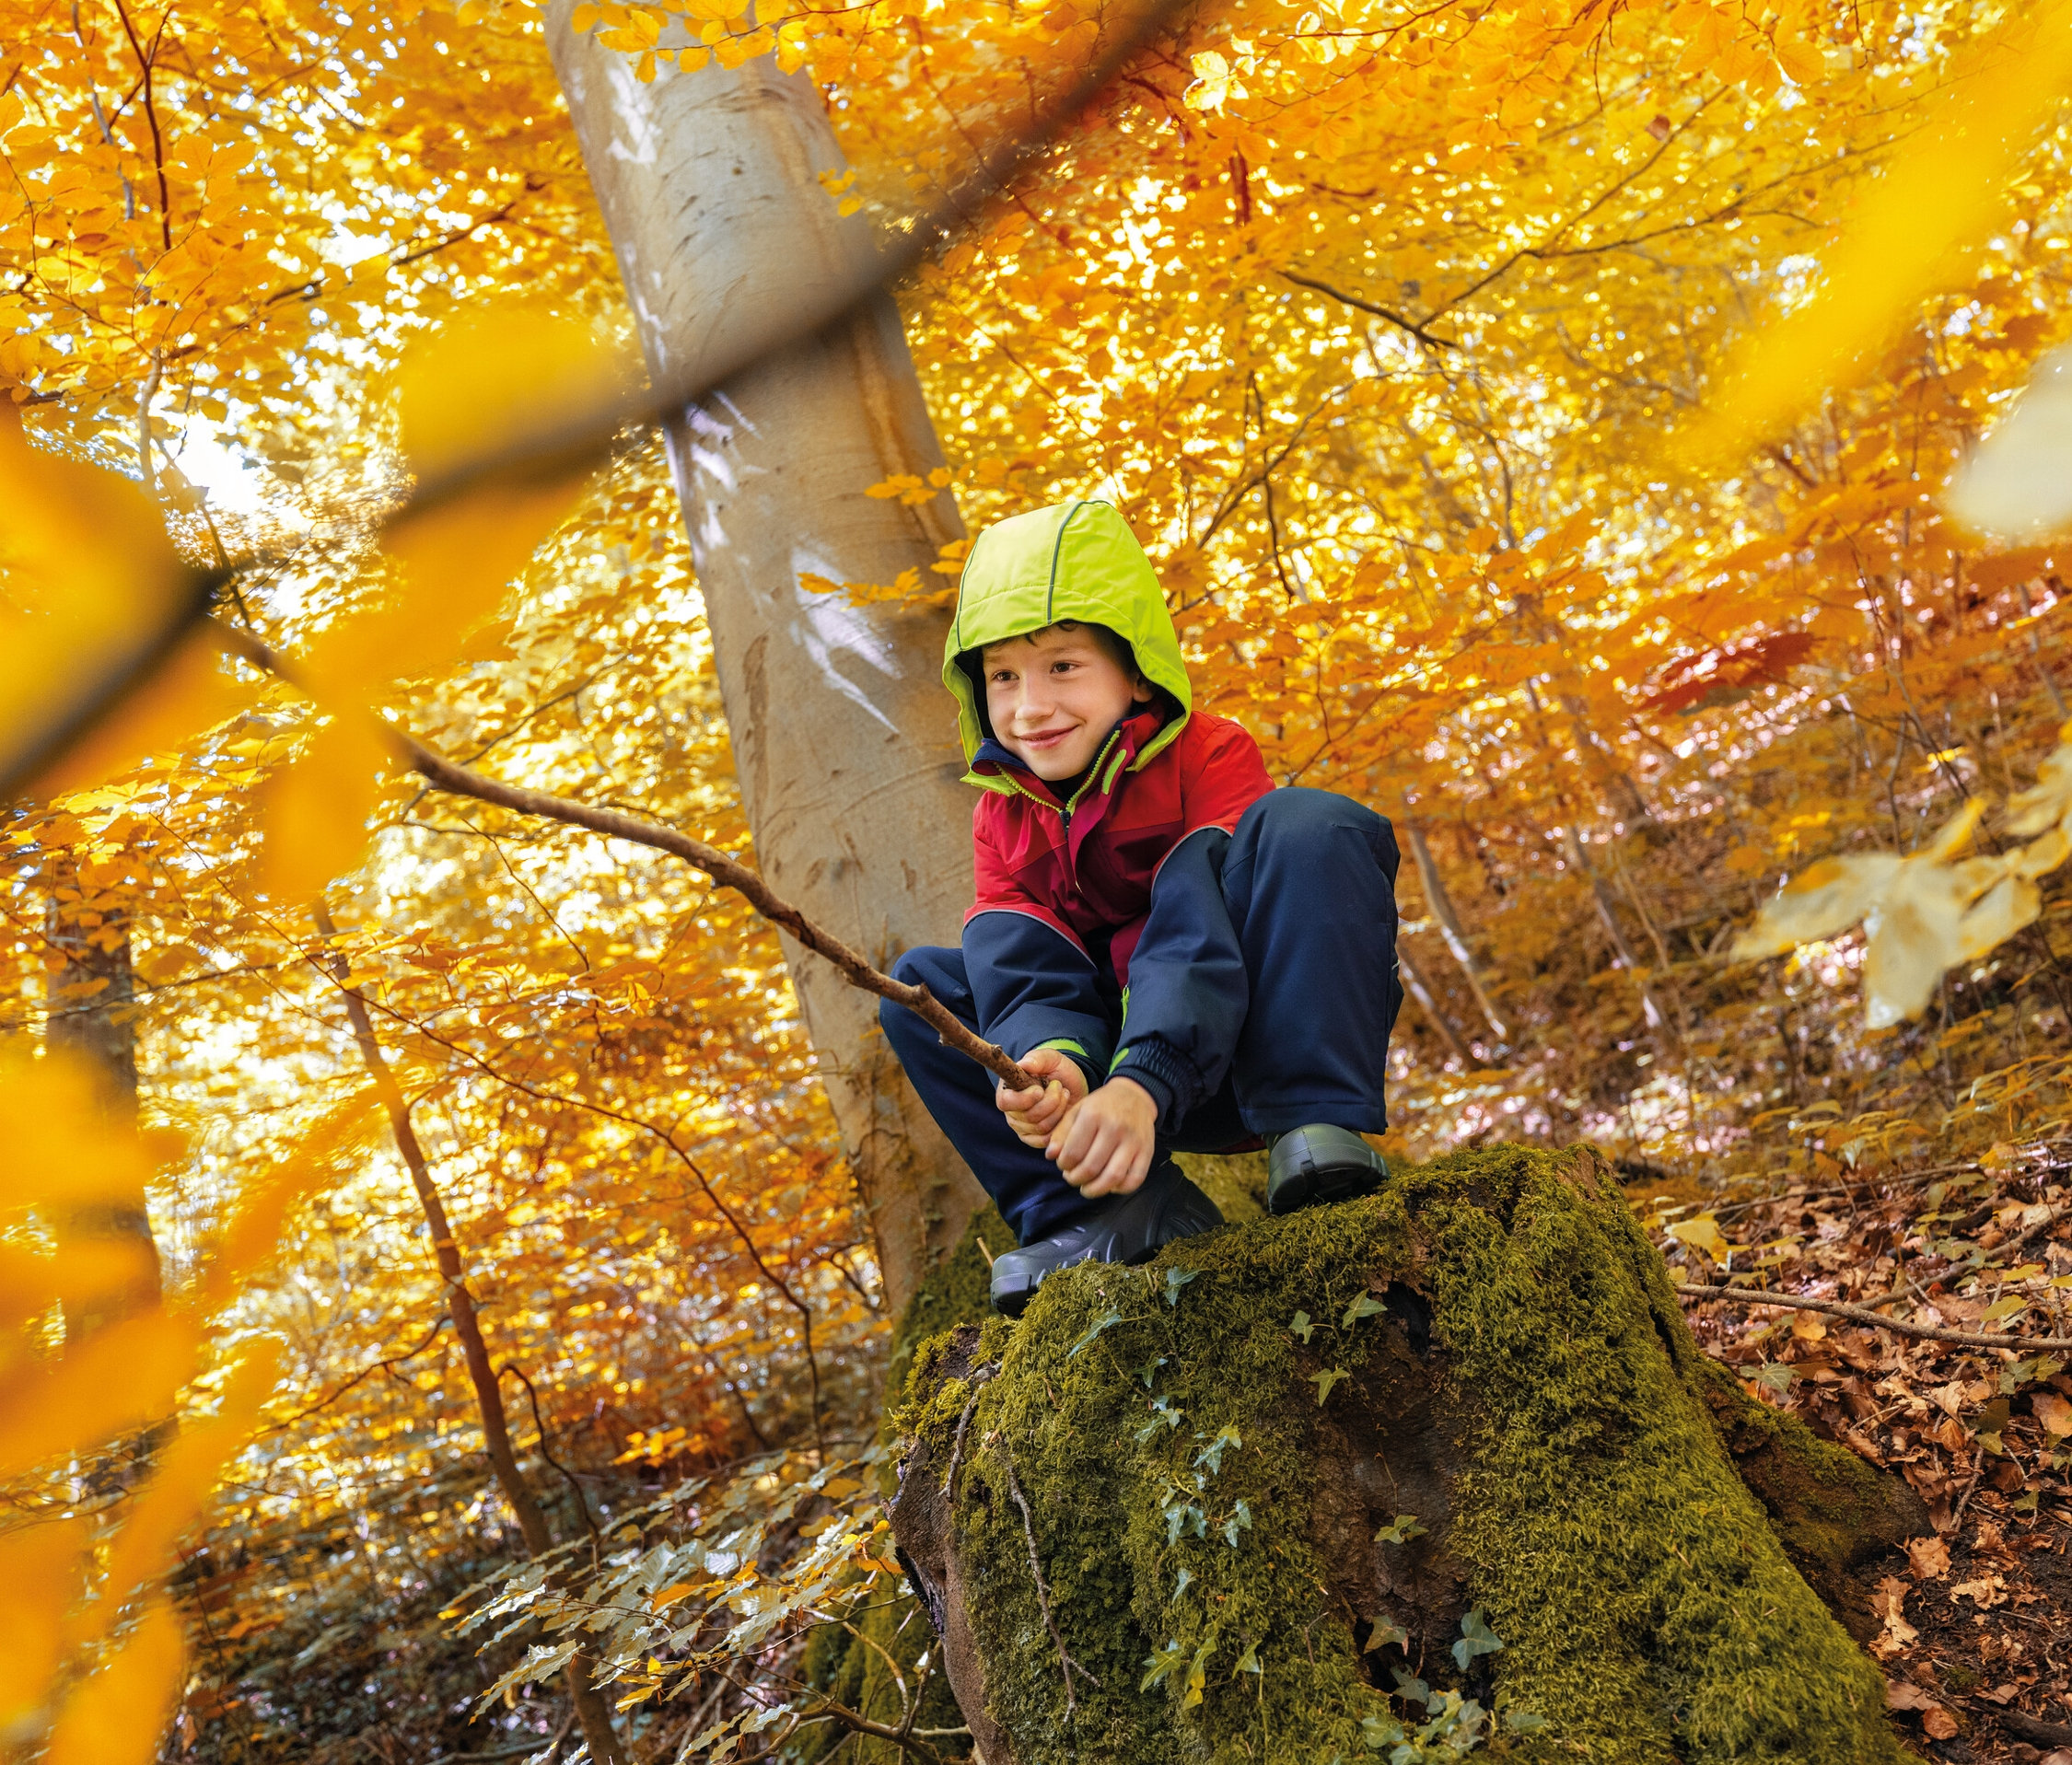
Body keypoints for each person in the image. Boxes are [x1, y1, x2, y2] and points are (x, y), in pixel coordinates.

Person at [879, 499, 1403, 1316]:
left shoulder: (1209, 754)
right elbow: (1025, 966)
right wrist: (1053, 1062)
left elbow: (1194, 928)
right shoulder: (1001, 815)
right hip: (1112, 1112)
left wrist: (1142, 1079)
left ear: (1132, 669)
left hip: (1236, 1056)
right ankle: (1106, 1209)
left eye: (1062, 666)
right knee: (923, 991)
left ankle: (1314, 1129)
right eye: (1004, 676)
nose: (1029, 706)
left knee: (1308, 825)